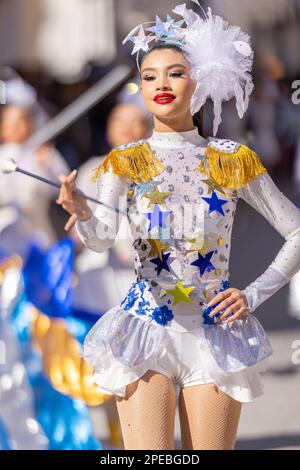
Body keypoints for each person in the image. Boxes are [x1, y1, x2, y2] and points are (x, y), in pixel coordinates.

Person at [56, 3, 300, 450]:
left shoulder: (231, 159)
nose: (161, 84)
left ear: (200, 81)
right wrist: (85, 213)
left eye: (174, 73)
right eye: (149, 76)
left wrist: (253, 293)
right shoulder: (125, 161)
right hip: (145, 331)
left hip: (215, 335)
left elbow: (297, 232)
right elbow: (102, 239)